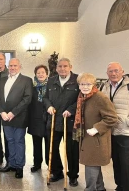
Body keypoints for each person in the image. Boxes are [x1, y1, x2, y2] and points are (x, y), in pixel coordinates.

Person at [100, 62, 129, 191]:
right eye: (110, 71)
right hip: (111, 131)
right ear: (107, 73)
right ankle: (120, 186)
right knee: (117, 162)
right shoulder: (104, 86)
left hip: (127, 132)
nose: (113, 74)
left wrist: (128, 122)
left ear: (122, 72)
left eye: (116, 71)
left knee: (127, 164)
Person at [74, 73, 118, 191]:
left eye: (88, 84)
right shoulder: (82, 97)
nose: (85, 87)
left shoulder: (100, 98)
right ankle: (100, 188)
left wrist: (97, 128)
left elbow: (112, 118)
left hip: (97, 138)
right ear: (79, 85)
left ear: (94, 85)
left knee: (91, 164)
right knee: (93, 163)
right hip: (87, 137)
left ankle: (90, 189)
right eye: (82, 84)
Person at [43, 58, 80, 186]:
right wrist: (48, 106)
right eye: (60, 66)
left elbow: (81, 100)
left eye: (65, 66)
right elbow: (45, 97)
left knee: (71, 150)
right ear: (56, 68)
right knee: (51, 148)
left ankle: (73, 175)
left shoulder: (77, 80)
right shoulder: (52, 80)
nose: (62, 68)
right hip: (53, 120)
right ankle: (57, 172)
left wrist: (71, 110)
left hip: (70, 122)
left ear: (70, 66)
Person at [0, 58, 32, 179]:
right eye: (10, 66)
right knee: (9, 141)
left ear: (20, 66)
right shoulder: (2, 80)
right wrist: (1, 112)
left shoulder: (26, 80)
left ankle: (19, 166)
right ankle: (10, 164)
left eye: (15, 65)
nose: (12, 68)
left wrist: (12, 113)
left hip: (19, 117)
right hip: (5, 117)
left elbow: (27, 99)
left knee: (19, 141)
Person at [27, 65, 49, 173]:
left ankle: (51, 165)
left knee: (50, 145)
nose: (40, 74)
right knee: (36, 144)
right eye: (38, 72)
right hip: (35, 120)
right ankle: (37, 164)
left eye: (43, 72)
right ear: (35, 74)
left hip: (48, 120)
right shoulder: (32, 87)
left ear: (47, 74)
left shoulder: (51, 86)